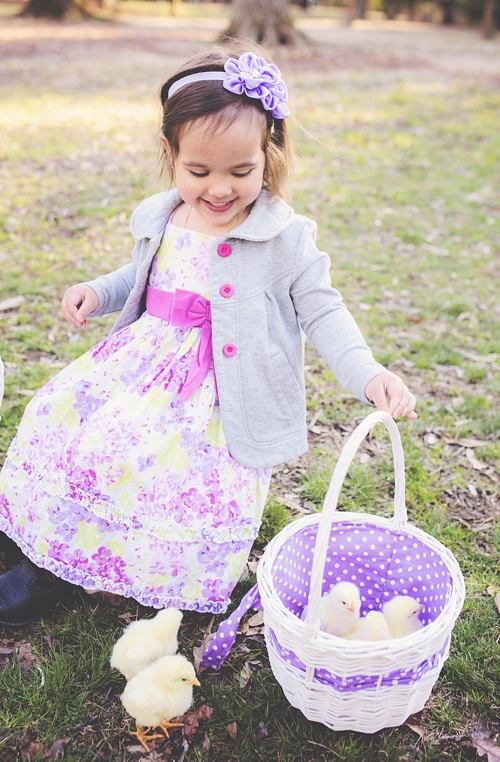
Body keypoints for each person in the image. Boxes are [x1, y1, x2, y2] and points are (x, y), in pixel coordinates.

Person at [0, 43, 416, 628]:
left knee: (175, 478)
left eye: (241, 171)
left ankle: (152, 571)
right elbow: (141, 274)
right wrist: (98, 291)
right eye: (199, 171)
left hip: (222, 395)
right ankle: (48, 553)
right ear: (170, 154)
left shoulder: (284, 237)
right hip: (143, 365)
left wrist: (369, 372)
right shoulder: (164, 215)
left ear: (267, 154)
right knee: (70, 429)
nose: (219, 189)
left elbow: (323, 311)